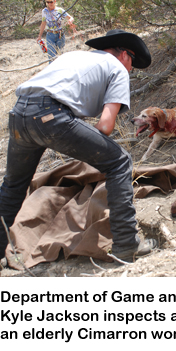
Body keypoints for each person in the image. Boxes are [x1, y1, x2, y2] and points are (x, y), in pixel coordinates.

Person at [0, 29, 157, 262]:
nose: (131, 68)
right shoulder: (117, 69)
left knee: (12, 187)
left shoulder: (72, 56)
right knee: (119, 161)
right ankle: (126, 243)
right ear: (124, 55)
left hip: (19, 115)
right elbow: (105, 126)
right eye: (132, 61)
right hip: (50, 115)